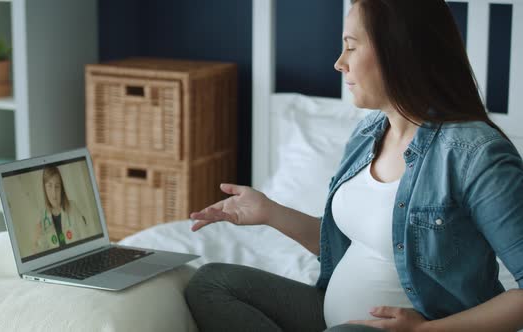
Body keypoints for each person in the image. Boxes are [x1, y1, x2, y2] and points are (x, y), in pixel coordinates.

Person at [184, 0, 523, 331]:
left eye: (351, 47)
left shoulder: (475, 154)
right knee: (212, 285)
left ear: (398, 51)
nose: (339, 63)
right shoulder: (369, 132)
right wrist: (269, 211)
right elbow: (344, 246)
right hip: (333, 320)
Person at [34, 166, 89, 253]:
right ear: (44, 188)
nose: (54, 193)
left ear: (61, 189)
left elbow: (86, 239)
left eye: (57, 186)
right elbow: (40, 253)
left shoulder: (72, 207)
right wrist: (37, 239)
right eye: (49, 186)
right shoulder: (42, 217)